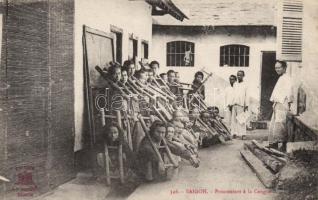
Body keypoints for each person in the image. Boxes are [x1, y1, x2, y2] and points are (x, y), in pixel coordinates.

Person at [268, 60, 293, 151]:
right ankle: (274, 143)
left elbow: (289, 93)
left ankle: (283, 144)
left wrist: (287, 103)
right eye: (276, 68)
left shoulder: (287, 78)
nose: (277, 69)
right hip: (278, 103)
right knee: (275, 124)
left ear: (284, 68)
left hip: (283, 103)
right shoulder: (281, 78)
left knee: (281, 123)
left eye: (279, 67)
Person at [231, 70, 249, 138]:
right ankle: (234, 133)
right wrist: (231, 103)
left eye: (240, 75)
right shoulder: (235, 84)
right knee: (233, 120)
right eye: (238, 75)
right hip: (234, 104)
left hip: (241, 105)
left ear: (243, 76)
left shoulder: (245, 85)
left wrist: (246, 105)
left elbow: (247, 95)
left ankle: (242, 134)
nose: (239, 76)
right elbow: (233, 94)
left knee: (241, 120)